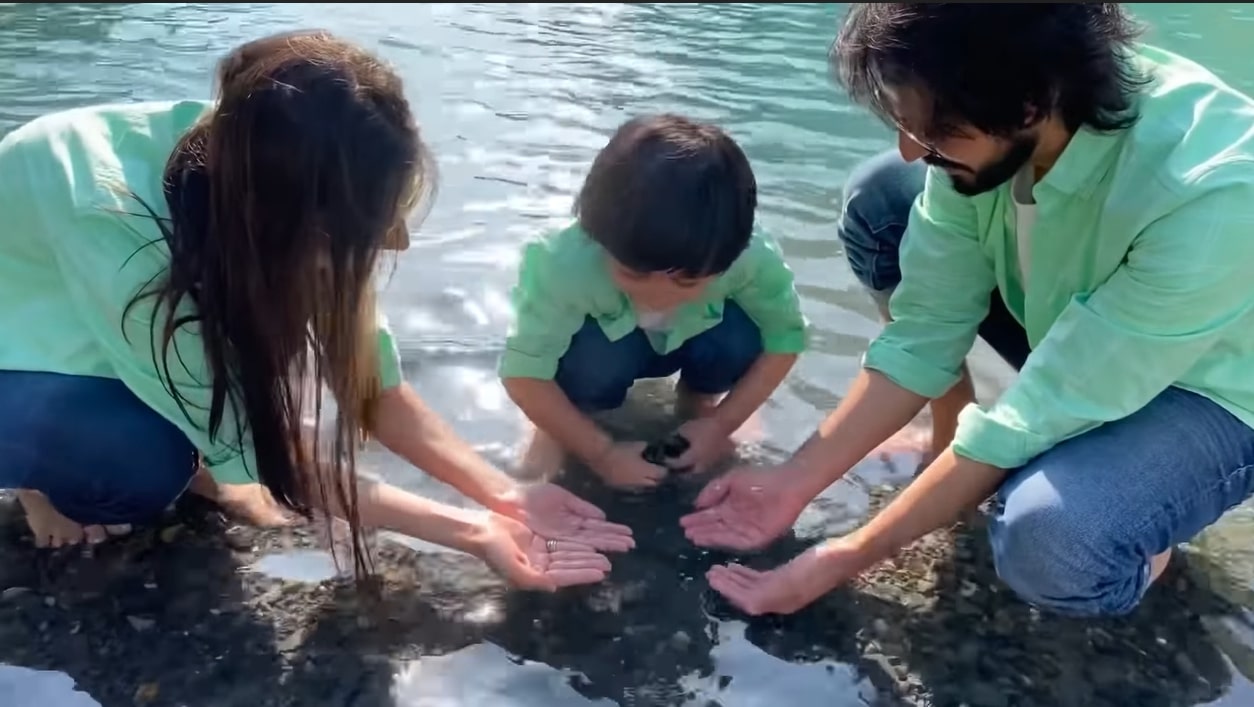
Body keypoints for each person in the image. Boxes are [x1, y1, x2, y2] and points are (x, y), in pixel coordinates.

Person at [0, 30, 634, 592]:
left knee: (207, 420)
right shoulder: (119, 231)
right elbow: (278, 464)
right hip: (20, 347)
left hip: (84, 307)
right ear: (291, 220)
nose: (398, 244)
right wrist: (475, 534)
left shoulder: (275, 162)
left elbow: (372, 390)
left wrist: (507, 495)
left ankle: (194, 456)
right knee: (138, 470)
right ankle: (36, 479)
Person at [685, 3, 1254, 617]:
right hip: (1085, 321)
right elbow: (923, 334)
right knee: (882, 200)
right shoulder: (1001, 113)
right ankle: (955, 439)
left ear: (1030, 103)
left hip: (1213, 386)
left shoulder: (1214, 190)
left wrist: (842, 558)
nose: (911, 149)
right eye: (906, 123)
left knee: (1052, 537)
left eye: (932, 130)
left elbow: (1038, 411)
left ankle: (1147, 546)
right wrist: (789, 486)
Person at [499, 114, 808, 490]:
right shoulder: (563, 262)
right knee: (573, 378)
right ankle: (557, 424)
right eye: (634, 273)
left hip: (699, 338)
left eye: (688, 281)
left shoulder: (750, 257)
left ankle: (701, 405)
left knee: (746, 332)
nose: (658, 296)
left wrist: (722, 424)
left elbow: (786, 339)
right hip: (604, 348)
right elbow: (523, 373)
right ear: (597, 237)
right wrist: (602, 453)